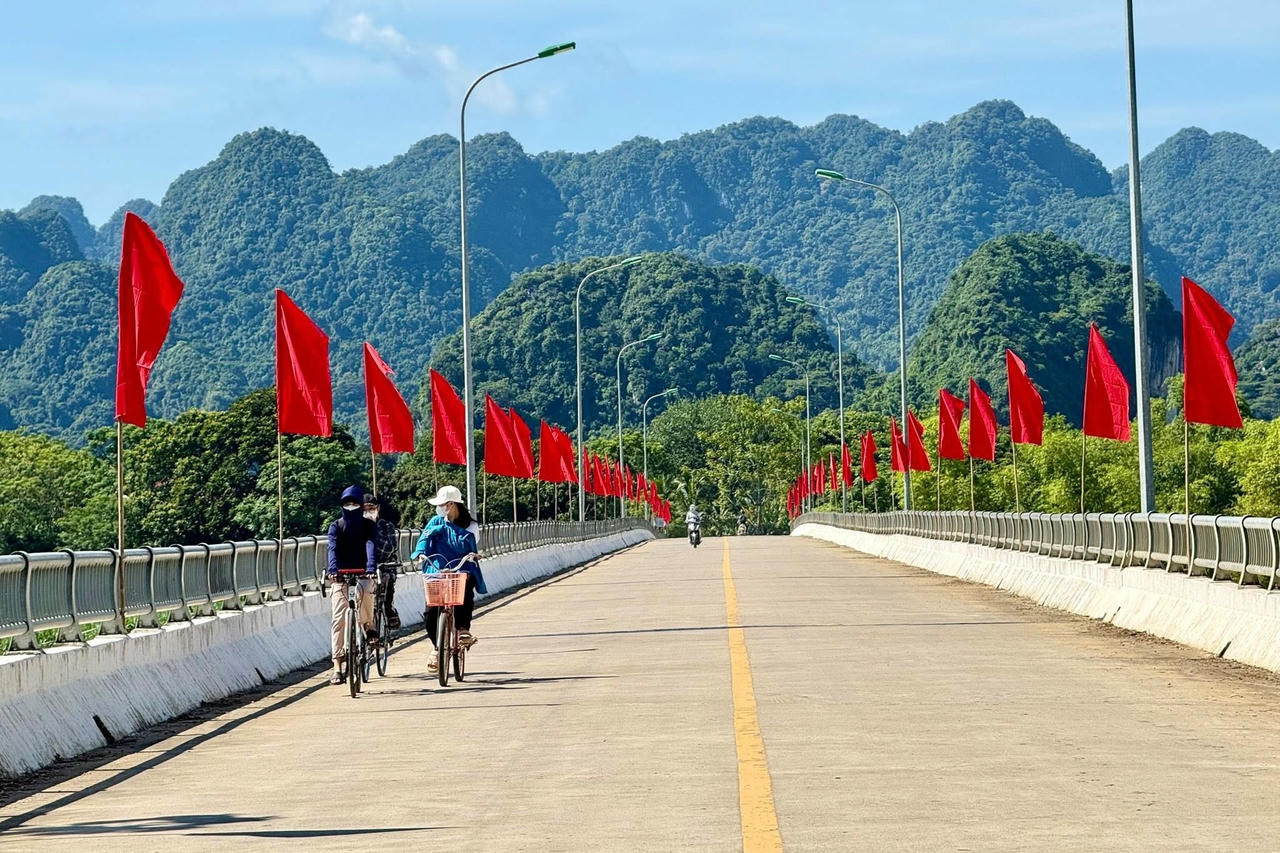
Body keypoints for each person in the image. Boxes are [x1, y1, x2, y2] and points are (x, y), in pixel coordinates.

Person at [410, 485, 486, 673]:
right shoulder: (435, 521)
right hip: (437, 569)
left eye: (442, 504)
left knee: (465, 592)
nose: (440, 507)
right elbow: (424, 538)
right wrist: (420, 553)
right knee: (430, 613)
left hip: (461, 567)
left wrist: (474, 556)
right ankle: (437, 648)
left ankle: (462, 629)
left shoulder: (470, 526)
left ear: (451, 504)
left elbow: (470, 545)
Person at [327, 485, 377, 686]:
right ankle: (337, 665)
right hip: (340, 574)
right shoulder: (336, 526)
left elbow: (370, 545)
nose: (351, 507)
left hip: (363, 570)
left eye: (354, 503)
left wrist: (371, 566)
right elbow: (332, 548)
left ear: (361, 506)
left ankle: (368, 625)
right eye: (347, 504)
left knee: (366, 591)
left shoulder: (368, 526)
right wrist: (333, 570)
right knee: (339, 618)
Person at [364, 494, 401, 630]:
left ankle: (388, 609)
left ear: (377, 508)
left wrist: (372, 547)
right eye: (364, 509)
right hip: (363, 568)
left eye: (371, 508)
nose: (368, 511)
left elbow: (390, 547)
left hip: (384, 566)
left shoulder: (386, 526)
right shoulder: (357, 527)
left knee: (386, 582)